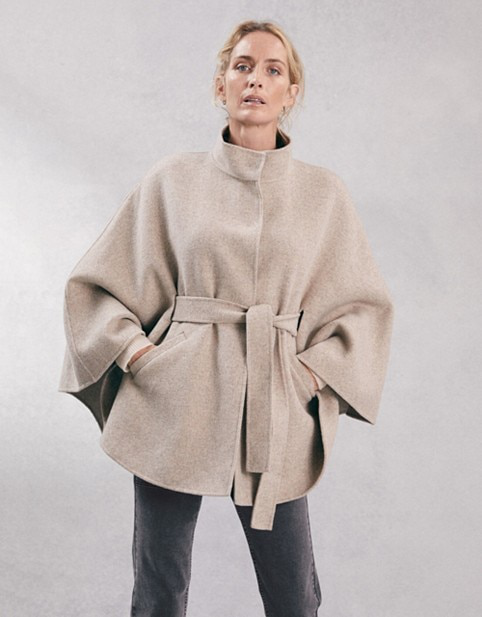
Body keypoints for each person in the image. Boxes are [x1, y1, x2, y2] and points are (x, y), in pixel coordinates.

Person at [58, 19, 394, 617]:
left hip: (276, 401)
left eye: (272, 70)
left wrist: (310, 375)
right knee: (159, 589)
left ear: (291, 93)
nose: (255, 80)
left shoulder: (324, 194)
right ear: (221, 85)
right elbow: (99, 284)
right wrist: (140, 355)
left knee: (294, 595)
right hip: (175, 397)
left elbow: (362, 307)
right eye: (242, 66)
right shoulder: (173, 179)